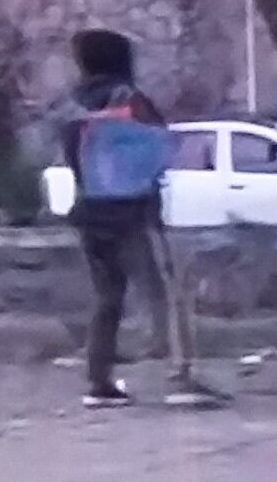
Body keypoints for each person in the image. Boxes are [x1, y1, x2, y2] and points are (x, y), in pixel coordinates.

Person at [57, 29, 222, 409]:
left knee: (107, 299)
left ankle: (99, 381)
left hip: (88, 212)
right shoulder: (130, 100)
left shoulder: (71, 106)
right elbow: (161, 146)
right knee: (164, 292)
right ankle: (181, 376)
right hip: (135, 214)